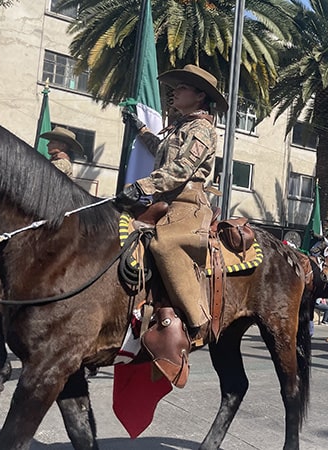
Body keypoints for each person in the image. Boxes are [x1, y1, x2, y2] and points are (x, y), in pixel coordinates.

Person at [117, 64, 227, 339]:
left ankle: (197, 319)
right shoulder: (181, 126)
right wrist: (141, 130)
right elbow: (163, 155)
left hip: (187, 202)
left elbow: (182, 169)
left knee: (164, 244)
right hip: (164, 198)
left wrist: (143, 185)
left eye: (182, 88)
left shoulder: (201, 128)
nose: (174, 92)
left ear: (199, 96)